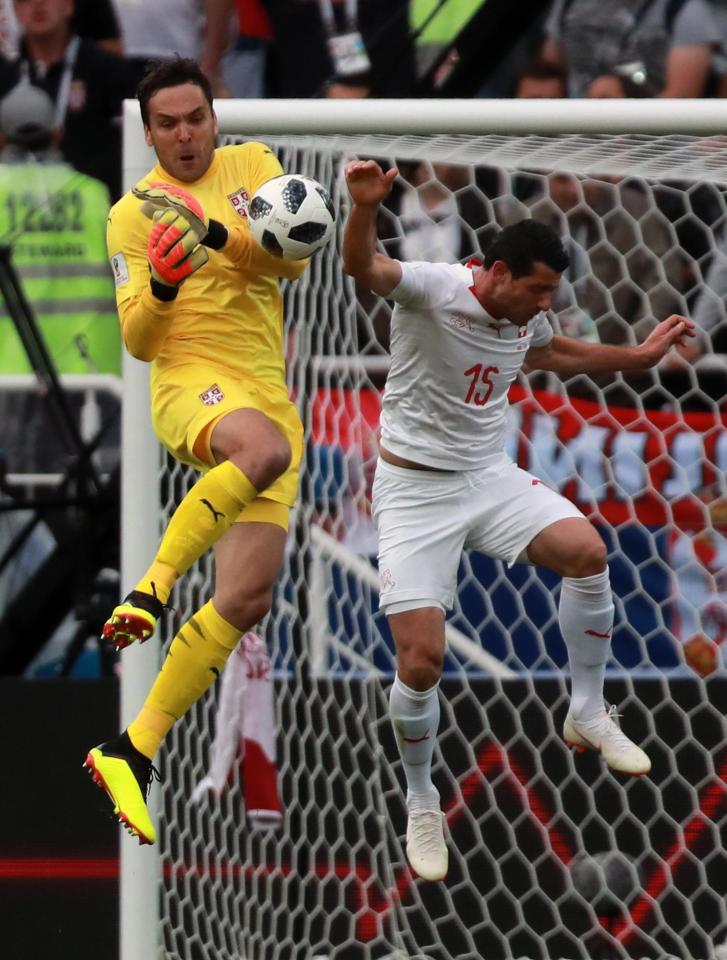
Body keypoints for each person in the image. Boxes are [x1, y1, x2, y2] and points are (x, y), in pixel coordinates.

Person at [342, 158, 695, 883]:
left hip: (487, 477)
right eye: (534, 290)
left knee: (587, 552)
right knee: (421, 662)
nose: (542, 304)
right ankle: (420, 800)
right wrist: (361, 208)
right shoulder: (435, 288)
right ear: (496, 273)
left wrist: (636, 355)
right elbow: (364, 268)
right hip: (413, 492)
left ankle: (588, 710)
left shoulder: (524, 314)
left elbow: (556, 351)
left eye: (549, 294)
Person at [83, 57, 308, 846]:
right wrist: (169, 286)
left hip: (266, 390)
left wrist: (210, 234)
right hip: (192, 383)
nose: (185, 135)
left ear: (215, 118)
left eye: (195, 119)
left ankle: (132, 748)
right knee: (261, 448)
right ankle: (151, 585)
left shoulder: (254, 167)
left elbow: (289, 256)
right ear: (148, 134)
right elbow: (139, 339)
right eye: (168, 124)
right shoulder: (129, 215)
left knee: (246, 600)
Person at [0, 81, 120, 375]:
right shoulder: (94, 194)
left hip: (9, 369)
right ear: (57, 133)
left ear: (2, 138)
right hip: (91, 369)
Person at [0, 0, 135, 200]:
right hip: (20, 210)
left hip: (93, 206)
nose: (38, 4)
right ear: (16, 11)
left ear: (69, 6)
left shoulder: (106, 70)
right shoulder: (7, 75)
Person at [540, 0, 721, 98]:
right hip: (573, 139)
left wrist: (625, 100)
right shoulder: (567, 4)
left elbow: (680, 99)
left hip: (653, 149)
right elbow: (551, 67)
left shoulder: (684, 8)